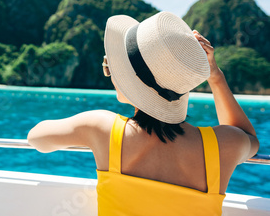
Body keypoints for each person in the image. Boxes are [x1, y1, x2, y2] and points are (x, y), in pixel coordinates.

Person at [27, 12, 259, 215]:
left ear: (130, 80)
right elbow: (248, 137)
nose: (109, 71)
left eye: (110, 65)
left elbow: (36, 138)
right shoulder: (221, 147)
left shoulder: (102, 128)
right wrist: (216, 76)